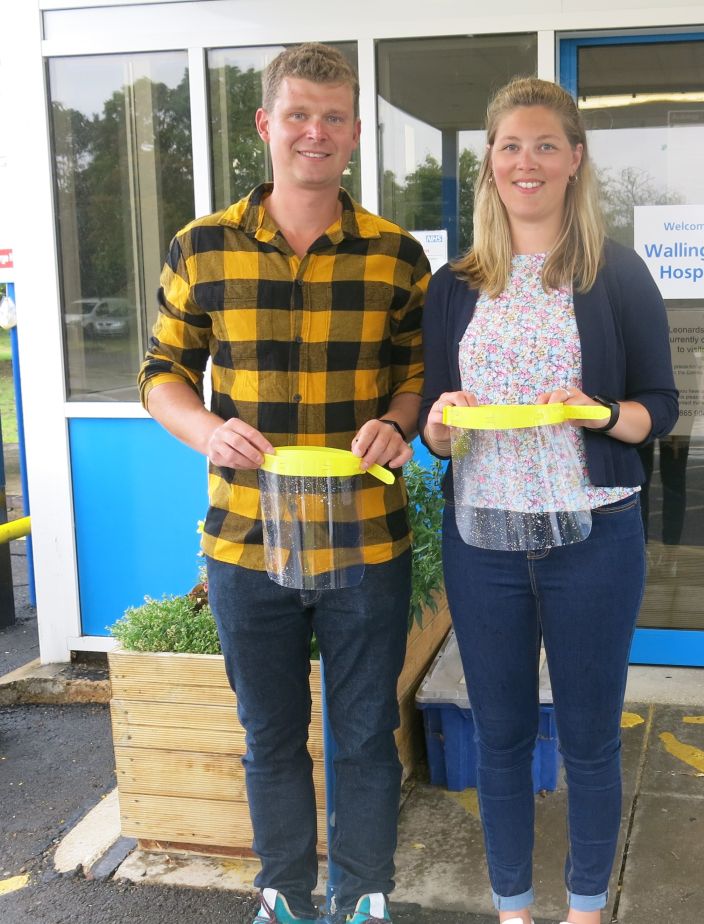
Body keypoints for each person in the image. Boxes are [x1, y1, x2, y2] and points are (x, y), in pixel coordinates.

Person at [138, 43, 429, 924]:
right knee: (268, 735)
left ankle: (364, 893)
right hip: (244, 538)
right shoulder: (203, 246)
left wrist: (402, 422)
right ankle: (286, 894)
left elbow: (415, 376)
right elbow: (161, 372)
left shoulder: (395, 255)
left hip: (366, 537)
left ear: (354, 133)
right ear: (266, 125)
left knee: (366, 733)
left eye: (333, 116)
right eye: (298, 114)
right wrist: (204, 429)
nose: (316, 131)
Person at [419, 77, 677, 924]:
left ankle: (587, 907)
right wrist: (441, 428)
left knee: (590, 740)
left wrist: (599, 413)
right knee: (499, 739)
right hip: (483, 538)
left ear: (575, 159)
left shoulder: (616, 273)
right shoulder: (455, 284)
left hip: (594, 538)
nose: (525, 161)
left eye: (543, 145)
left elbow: (658, 407)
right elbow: (438, 417)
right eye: (509, 146)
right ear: (488, 163)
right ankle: (513, 908)